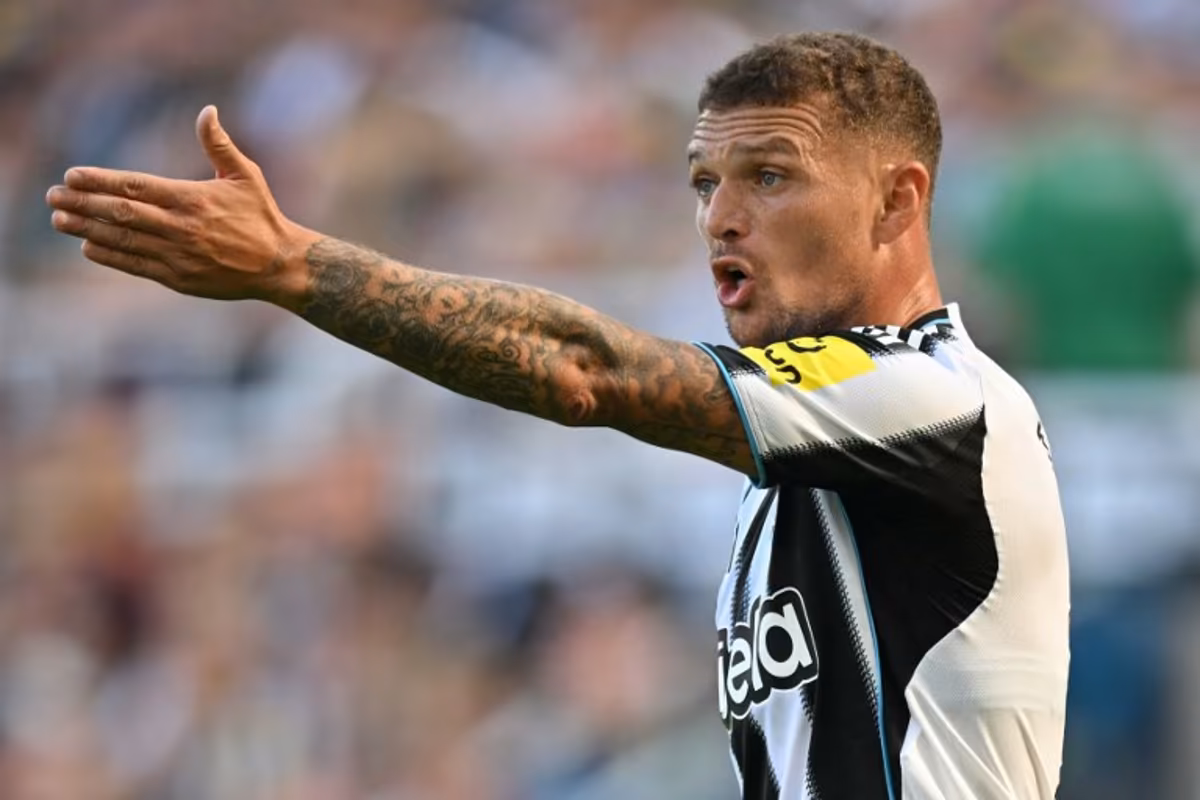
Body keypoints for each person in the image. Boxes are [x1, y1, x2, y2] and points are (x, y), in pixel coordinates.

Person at [45, 31, 1069, 800]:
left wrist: (295, 267)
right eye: (704, 180)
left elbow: (588, 370)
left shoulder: (936, 394)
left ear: (898, 203)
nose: (720, 213)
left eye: (770, 176)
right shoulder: (806, 474)